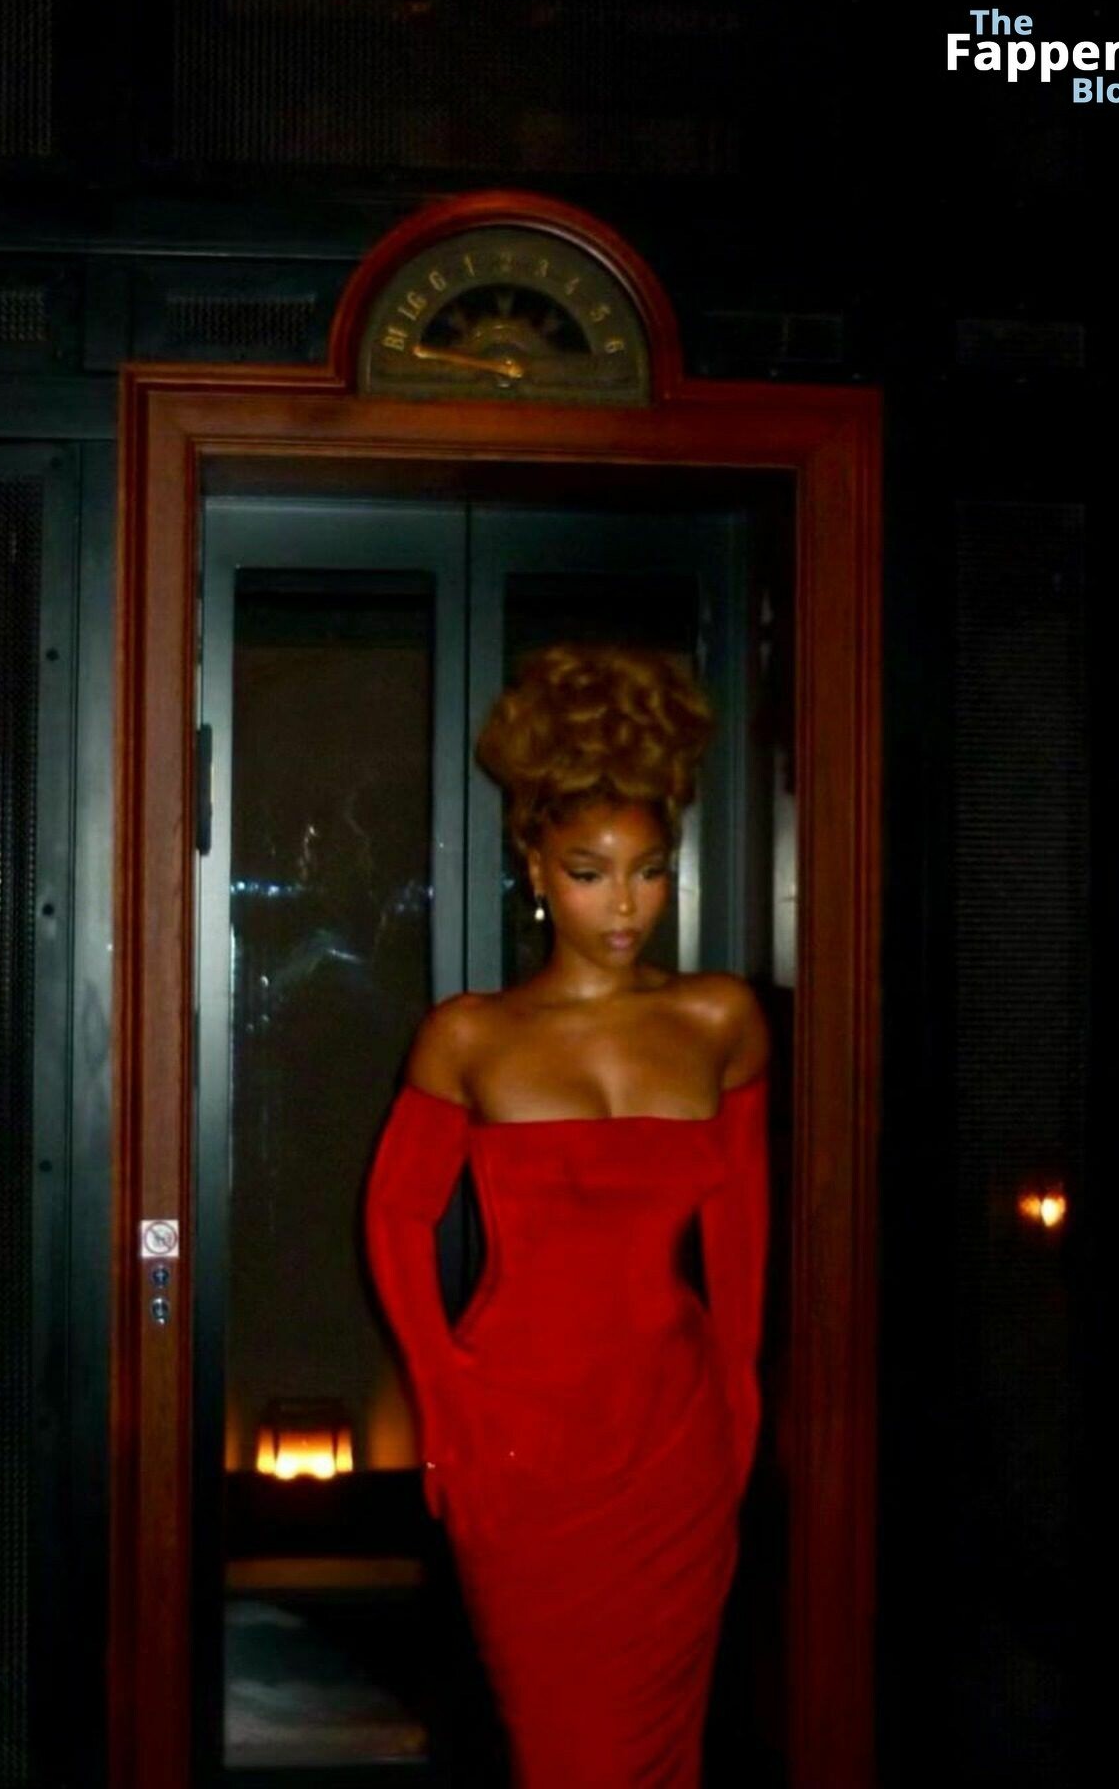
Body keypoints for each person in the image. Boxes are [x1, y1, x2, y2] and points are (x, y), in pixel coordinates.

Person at [363, 643, 770, 1788]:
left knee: (666, 1756)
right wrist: (444, 1404)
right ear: (536, 867)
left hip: (676, 1445)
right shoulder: (469, 1036)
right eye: (592, 872)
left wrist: (740, 1402)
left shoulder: (721, 1021)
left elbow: (742, 1234)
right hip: (519, 1447)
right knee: (563, 1752)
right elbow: (393, 1222)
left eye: (650, 871)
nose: (625, 904)